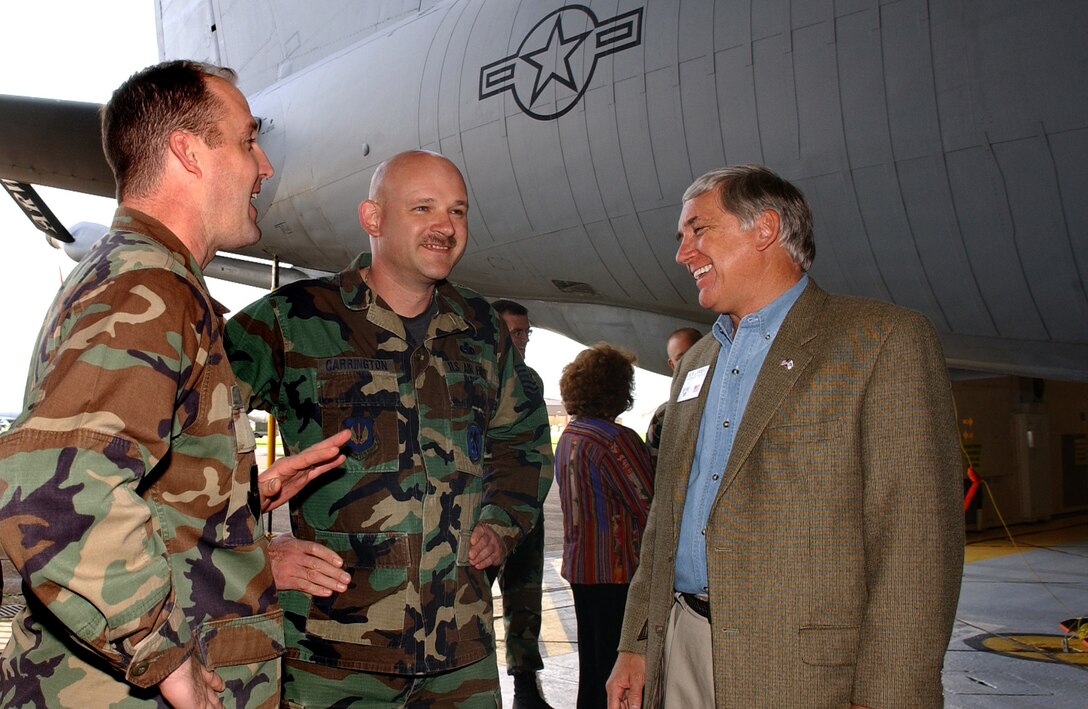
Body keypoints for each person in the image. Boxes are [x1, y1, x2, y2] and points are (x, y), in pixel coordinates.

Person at [0, 60, 351, 708]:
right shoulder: (145, 287)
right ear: (188, 153)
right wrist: (166, 657)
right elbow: (51, 488)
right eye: (248, 140)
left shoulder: (152, 280)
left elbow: (132, 482)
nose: (265, 166)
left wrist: (233, 503)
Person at [606, 164, 964, 708]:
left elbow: (916, 542)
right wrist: (635, 644)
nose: (684, 253)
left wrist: (891, 695)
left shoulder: (883, 342)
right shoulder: (696, 361)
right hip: (680, 651)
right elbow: (665, 518)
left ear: (765, 229)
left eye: (698, 230)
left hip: (807, 676)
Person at [223, 150, 553, 706]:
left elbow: (521, 440)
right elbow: (184, 425)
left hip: (460, 656)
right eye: (422, 208)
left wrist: (502, 523)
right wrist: (249, 546)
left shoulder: (481, 327)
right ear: (372, 218)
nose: (445, 226)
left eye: (457, 211)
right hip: (335, 655)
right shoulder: (295, 317)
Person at [556, 343, 654, 709]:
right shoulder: (615, 440)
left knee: (592, 668)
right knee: (617, 672)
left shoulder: (571, 435)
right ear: (617, 389)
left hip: (582, 569)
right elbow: (651, 507)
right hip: (617, 574)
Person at [489, 299, 553, 709]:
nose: (521, 341)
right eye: (513, 332)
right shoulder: (471, 376)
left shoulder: (529, 379)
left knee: (525, 600)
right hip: (481, 510)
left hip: (525, 508)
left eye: (525, 332)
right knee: (469, 603)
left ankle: (525, 689)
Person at [644, 327, 702, 469]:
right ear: (672, 365)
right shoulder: (664, 415)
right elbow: (654, 465)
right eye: (681, 358)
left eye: (693, 352)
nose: (689, 361)